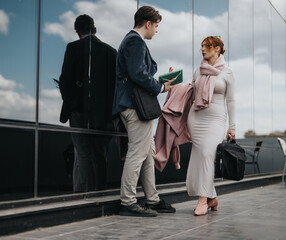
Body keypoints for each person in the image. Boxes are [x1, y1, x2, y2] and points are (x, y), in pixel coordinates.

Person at [113, 6, 176, 217]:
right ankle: (127, 202)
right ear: (148, 24)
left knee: (147, 154)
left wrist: (161, 82)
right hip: (134, 107)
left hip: (134, 104)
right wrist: (160, 87)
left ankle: (152, 199)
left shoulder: (132, 41)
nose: (156, 31)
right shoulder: (134, 41)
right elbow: (138, 74)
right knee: (137, 153)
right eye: (156, 26)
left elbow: (139, 73)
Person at [59, 14, 117, 192]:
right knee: (100, 155)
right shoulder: (110, 52)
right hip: (104, 114)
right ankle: (99, 192)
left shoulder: (73, 48)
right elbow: (114, 86)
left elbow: (65, 80)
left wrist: (71, 100)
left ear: (77, 31)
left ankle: (83, 196)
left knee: (82, 154)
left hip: (79, 110)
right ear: (95, 29)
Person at [186, 36, 236, 216]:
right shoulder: (198, 71)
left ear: (217, 49)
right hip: (196, 118)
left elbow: (230, 100)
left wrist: (233, 126)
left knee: (208, 153)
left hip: (216, 120)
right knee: (201, 157)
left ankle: (202, 200)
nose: (202, 50)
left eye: (206, 47)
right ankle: (212, 198)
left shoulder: (227, 72)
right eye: (201, 47)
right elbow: (190, 94)